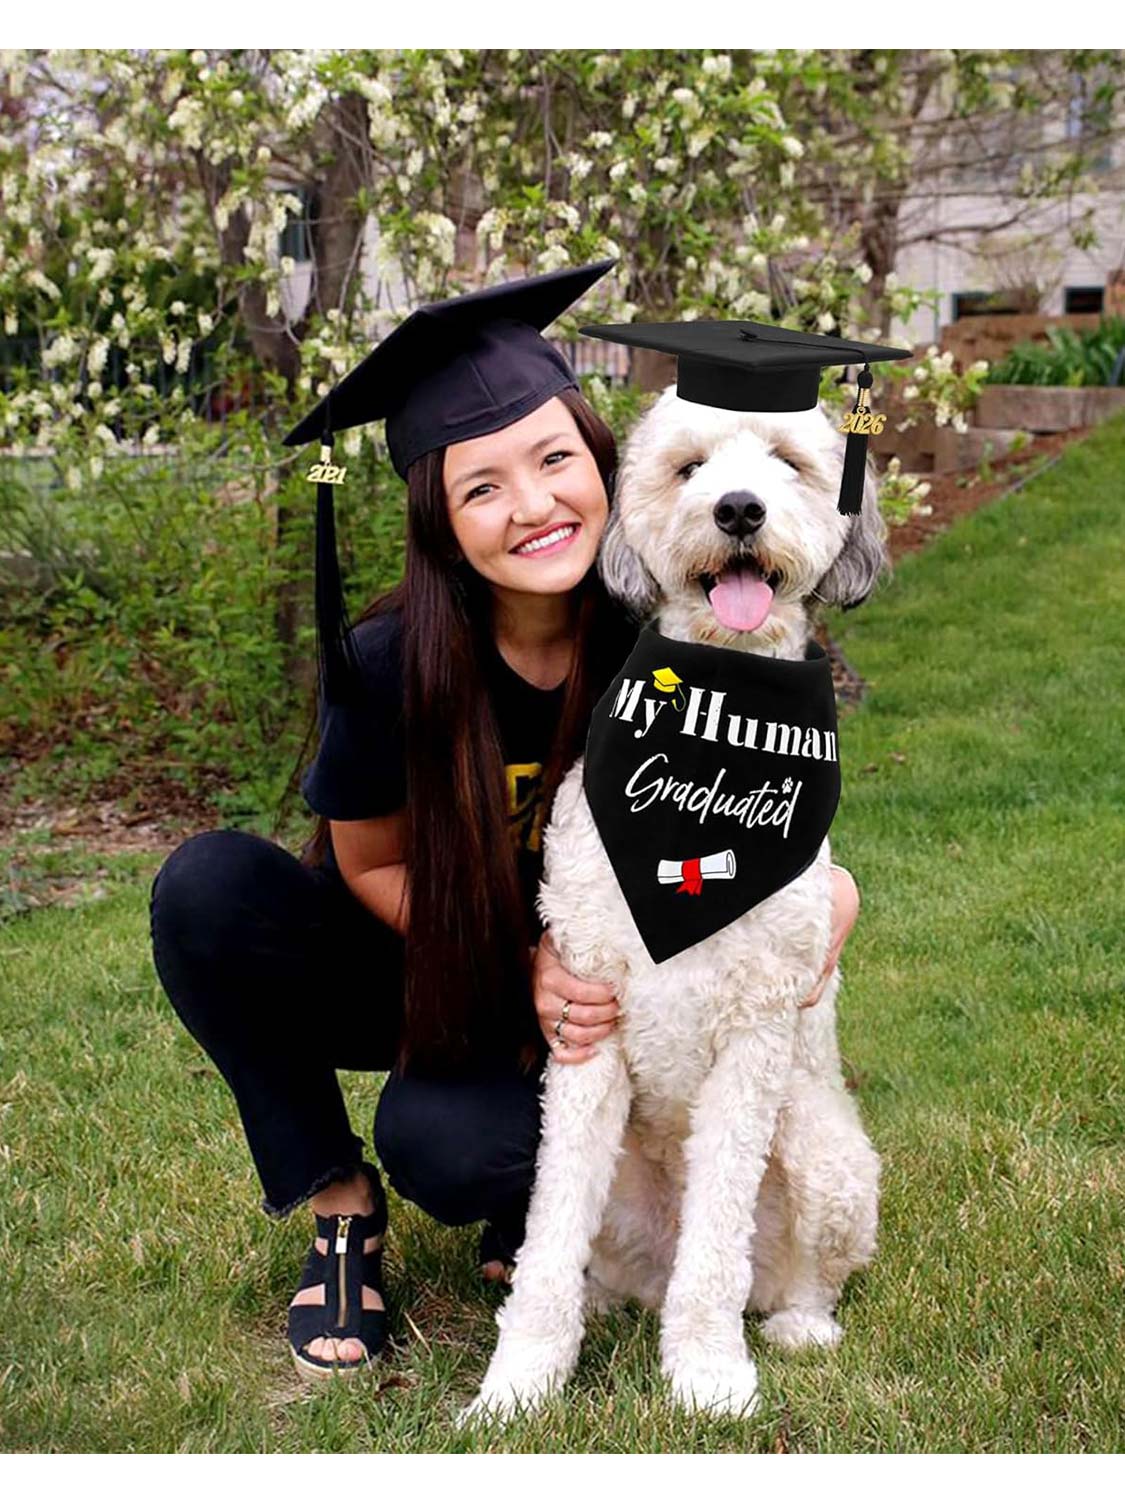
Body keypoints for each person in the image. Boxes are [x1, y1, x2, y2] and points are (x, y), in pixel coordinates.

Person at [148, 261, 861, 1379]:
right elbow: (370, 859)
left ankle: (525, 1215)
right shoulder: (389, 661)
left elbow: (758, 804)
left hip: (598, 986)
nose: (530, 506)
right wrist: (512, 955)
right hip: (422, 956)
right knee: (206, 888)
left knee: (463, 1147)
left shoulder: (668, 631)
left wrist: (826, 895)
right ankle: (340, 1212)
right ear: (440, 519)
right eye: (481, 487)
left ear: (607, 472)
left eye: (554, 461)